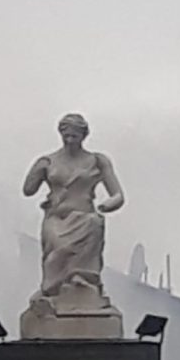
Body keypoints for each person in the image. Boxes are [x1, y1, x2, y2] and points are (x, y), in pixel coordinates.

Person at [22, 112, 124, 303]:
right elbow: (28, 190)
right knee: (57, 251)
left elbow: (117, 195)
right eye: (66, 136)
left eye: (74, 136)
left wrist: (105, 206)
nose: (69, 141)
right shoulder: (49, 161)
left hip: (85, 216)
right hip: (57, 218)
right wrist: (38, 171)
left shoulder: (98, 161)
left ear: (83, 136)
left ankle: (82, 281)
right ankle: (52, 290)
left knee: (94, 223)